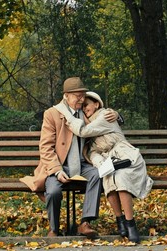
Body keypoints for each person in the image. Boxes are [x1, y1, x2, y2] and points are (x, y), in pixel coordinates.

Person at [20, 77, 119, 238]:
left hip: (82, 164)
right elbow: (45, 147)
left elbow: (104, 116)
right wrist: (57, 170)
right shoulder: (52, 114)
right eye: (77, 96)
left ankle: (85, 223)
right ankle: (54, 228)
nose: (81, 99)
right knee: (53, 191)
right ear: (66, 96)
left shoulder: (87, 113)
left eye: (83, 95)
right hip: (58, 165)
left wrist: (116, 115)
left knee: (97, 174)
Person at [53, 91, 153, 243]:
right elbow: (92, 152)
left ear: (97, 104)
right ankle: (120, 220)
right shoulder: (90, 122)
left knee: (120, 179)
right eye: (82, 106)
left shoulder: (104, 116)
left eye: (87, 105)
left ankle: (130, 223)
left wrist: (68, 115)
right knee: (108, 178)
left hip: (126, 157)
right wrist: (99, 163)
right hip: (109, 160)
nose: (84, 108)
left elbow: (82, 131)